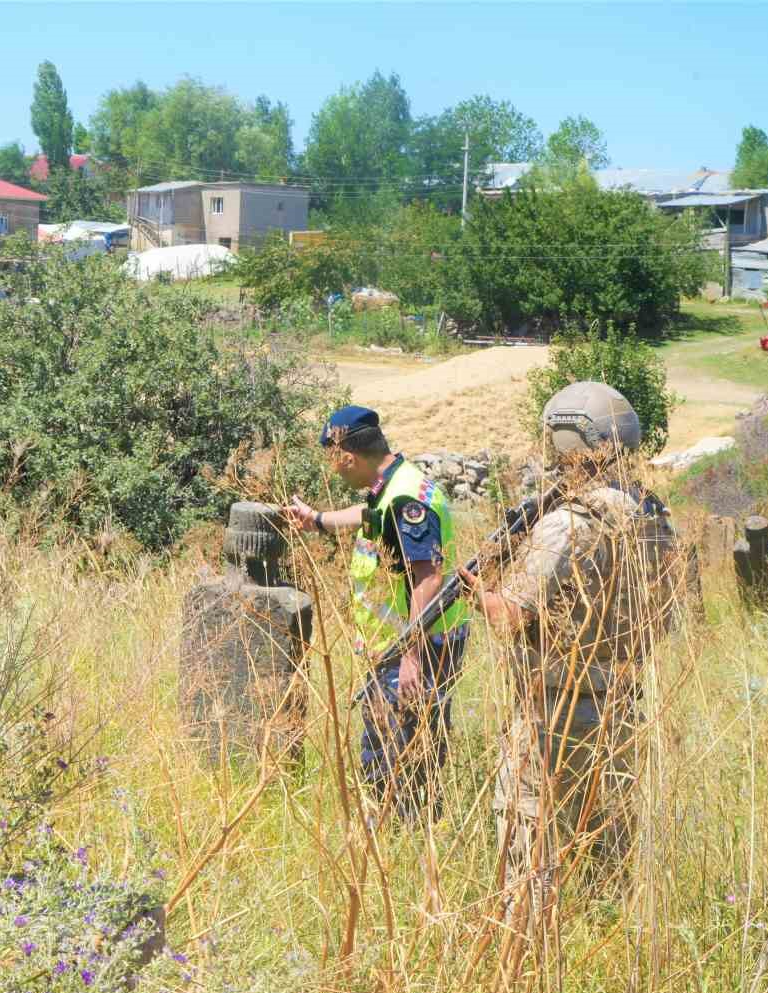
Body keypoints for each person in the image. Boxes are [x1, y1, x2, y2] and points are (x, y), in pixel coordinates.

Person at [458, 381, 679, 922]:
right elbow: (665, 617)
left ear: (566, 439)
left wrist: (476, 591)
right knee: (607, 833)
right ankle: (607, 936)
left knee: (528, 826)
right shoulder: (653, 521)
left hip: (556, 704)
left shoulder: (569, 523)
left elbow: (513, 617)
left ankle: (526, 944)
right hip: (623, 701)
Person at [283, 405, 470, 820]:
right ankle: (409, 828)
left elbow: (429, 578)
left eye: (335, 463)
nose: (335, 473)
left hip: (420, 646)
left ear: (347, 456)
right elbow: (369, 517)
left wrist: (411, 655)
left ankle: (398, 834)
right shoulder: (391, 486)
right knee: (405, 744)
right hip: (405, 644)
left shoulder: (404, 499)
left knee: (394, 751)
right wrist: (317, 520)